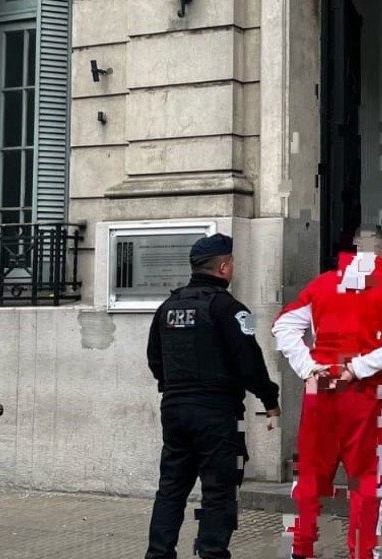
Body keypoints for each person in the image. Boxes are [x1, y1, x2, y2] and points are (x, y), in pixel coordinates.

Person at [271, 230, 382, 559]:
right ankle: (362, 552)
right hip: (370, 395)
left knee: (309, 475)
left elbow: (282, 326)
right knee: (368, 483)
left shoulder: (324, 282)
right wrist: (359, 367)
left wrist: (309, 367)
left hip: (321, 390)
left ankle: (300, 548)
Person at [145, 233, 281, 559]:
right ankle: (211, 553)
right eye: (231, 263)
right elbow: (250, 362)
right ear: (223, 267)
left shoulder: (167, 307)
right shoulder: (234, 310)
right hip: (217, 414)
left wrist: (177, 387)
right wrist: (269, 399)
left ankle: (158, 554)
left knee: (171, 489)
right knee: (220, 491)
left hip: (175, 410)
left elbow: (154, 358)